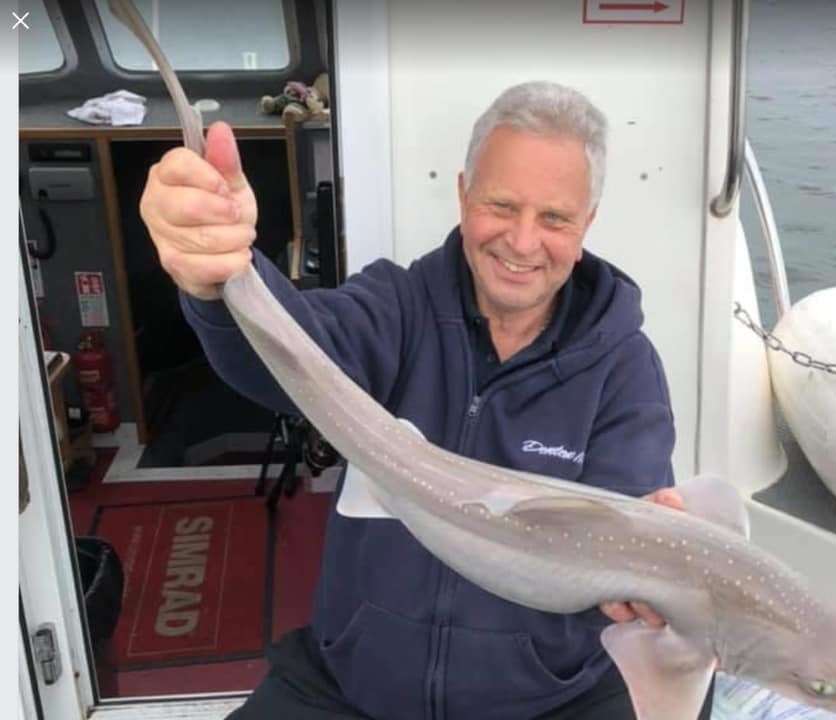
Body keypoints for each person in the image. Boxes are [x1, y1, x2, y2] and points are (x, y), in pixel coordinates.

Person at [140, 81, 713, 719]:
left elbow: (626, 526)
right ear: (464, 194)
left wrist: (643, 577)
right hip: (355, 683)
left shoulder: (623, 367)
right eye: (501, 205)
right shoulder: (398, 307)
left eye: (554, 218)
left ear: (587, 223)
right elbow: (285, 357)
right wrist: (220, 273)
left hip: (547, 698)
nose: (523, 243)